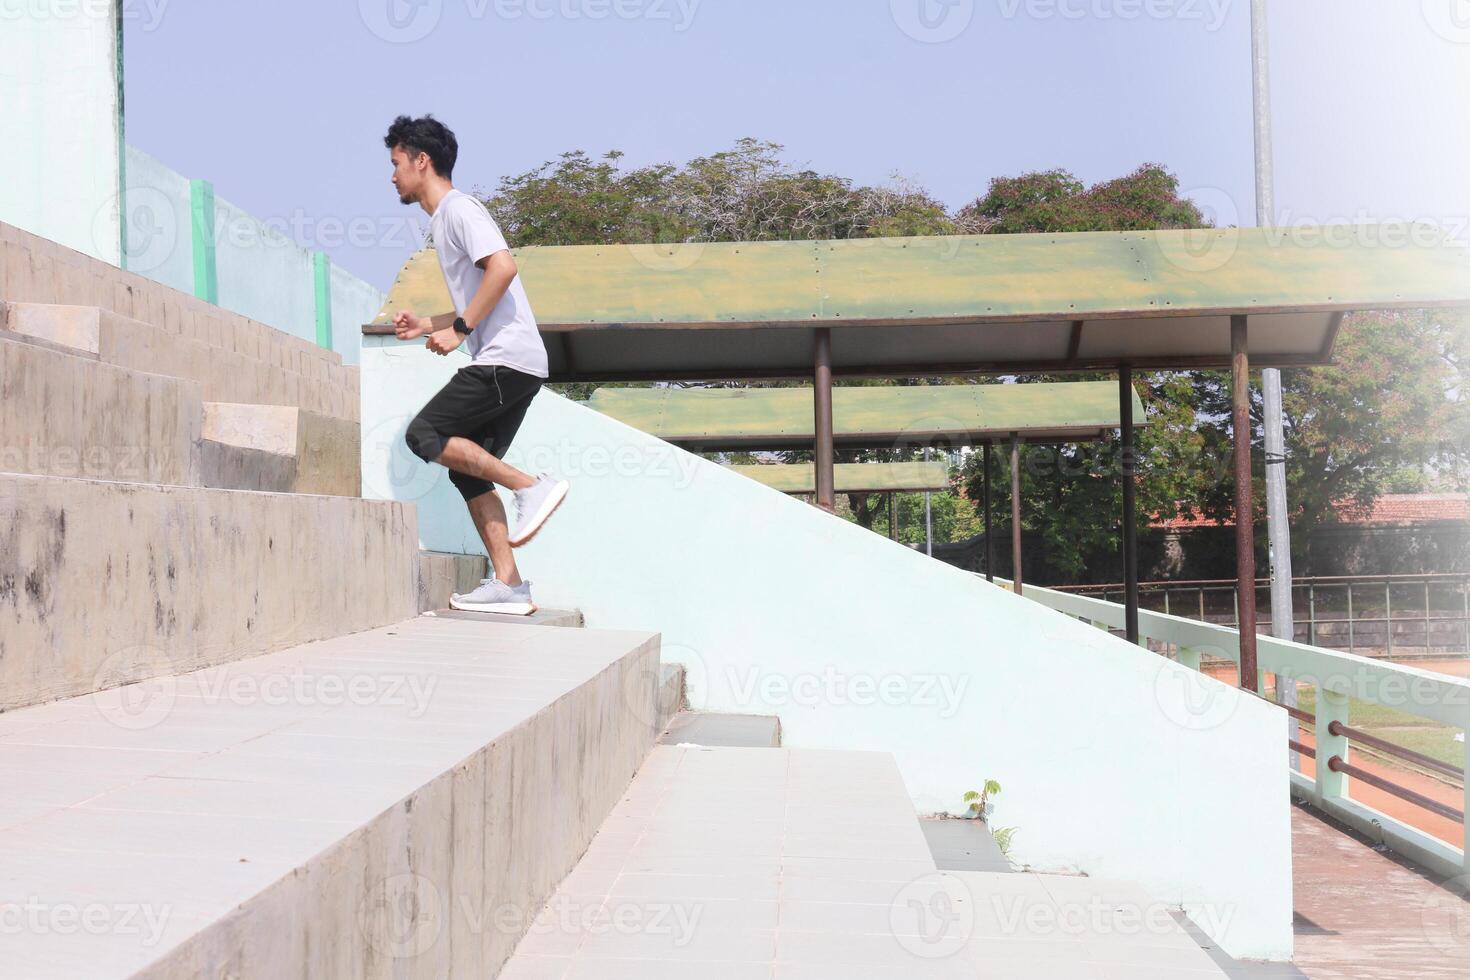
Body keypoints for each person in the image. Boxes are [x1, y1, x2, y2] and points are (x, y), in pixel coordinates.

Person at [385, 114, 568, 616]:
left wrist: (461, 330)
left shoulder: (459, 209)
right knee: (466, 472)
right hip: (514, 362)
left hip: (505, 360)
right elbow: (482, 292)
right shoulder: (443, 220)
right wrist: (428, 322)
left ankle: (531, 487)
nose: (393, 175)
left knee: (424, 434)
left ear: (422, 161)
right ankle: (510, 585)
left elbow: (504, 268)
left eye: (397, 163)